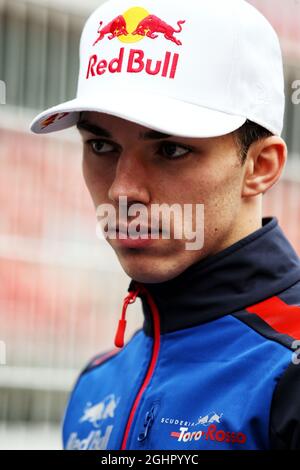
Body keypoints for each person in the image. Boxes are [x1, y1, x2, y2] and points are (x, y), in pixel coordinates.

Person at [30, 0, 300, 450]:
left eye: (170, 150)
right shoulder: (94, 388)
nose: (122, 191)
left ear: (260, 167)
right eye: (101, 145)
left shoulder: (288, 371)